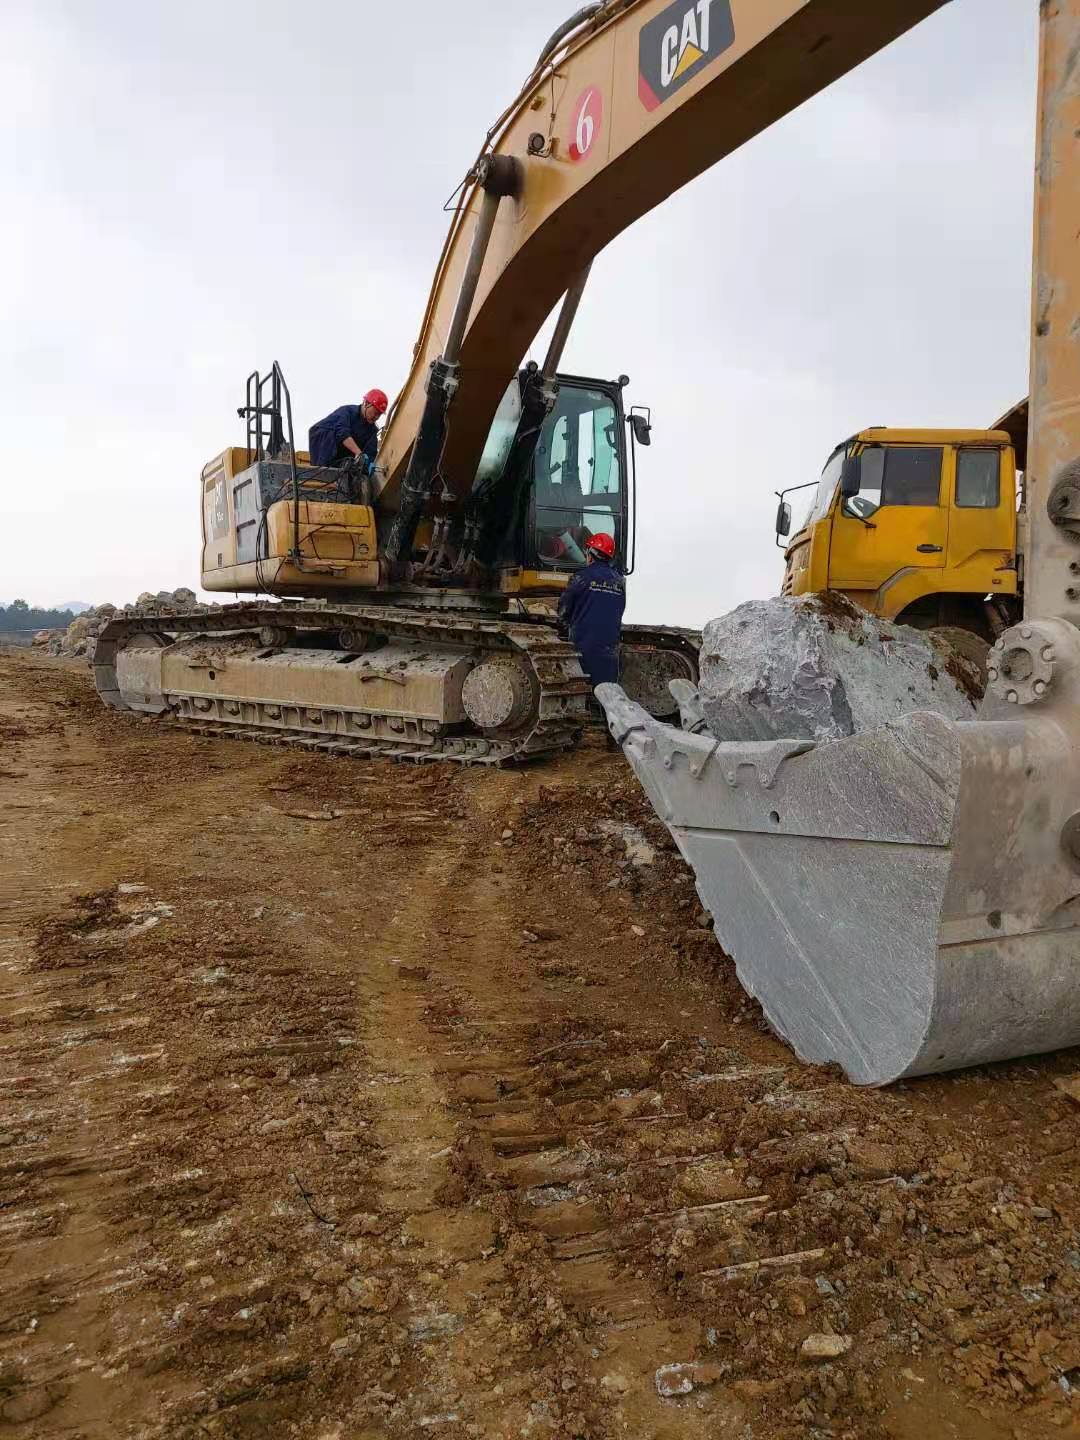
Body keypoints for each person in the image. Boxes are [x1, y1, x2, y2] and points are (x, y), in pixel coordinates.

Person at [557, 532, 626, 690]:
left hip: (583, 648)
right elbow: (619, 610)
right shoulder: (620, 582)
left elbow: (563, 610)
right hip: (609, 650)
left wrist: (562, 629)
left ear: (590, 554)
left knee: (582, 691)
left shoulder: (581, 577)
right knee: (606, 694)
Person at [308, 389, 389, 472]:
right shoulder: (346, 412)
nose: (376, 417)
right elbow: (342, 433)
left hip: (340, 458)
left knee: (357, 466)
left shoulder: (372, 431)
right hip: (322, 445)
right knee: (333, 435)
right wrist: (359, 453)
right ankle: (324, 468)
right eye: (375, 412)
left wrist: (370, 464)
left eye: (379, 414)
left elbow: (371, 453)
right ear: (366, 403)